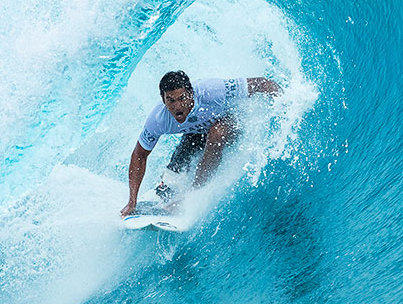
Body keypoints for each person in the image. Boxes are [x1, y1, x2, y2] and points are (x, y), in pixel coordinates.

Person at [120, 70, 282, 218]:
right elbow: (139, 155)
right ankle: (169, 181)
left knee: (217, 132)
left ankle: (194, 191)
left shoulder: (213, 91)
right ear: (163, 99)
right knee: (189, 144)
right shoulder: (158, 119)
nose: (177, 106)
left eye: (182, 98)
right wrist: (132, 201)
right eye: (170, 100)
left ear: (191, 94)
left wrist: (286, 102)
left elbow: (262, 83)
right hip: (197, 132)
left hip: (232, 124)